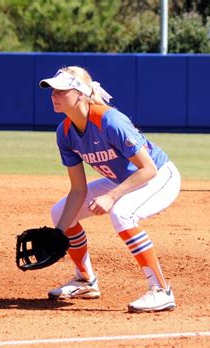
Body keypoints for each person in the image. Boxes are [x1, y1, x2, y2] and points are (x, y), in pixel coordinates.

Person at [39, 66, 181, 313]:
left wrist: (112, 196)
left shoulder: (109, 120)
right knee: (60, 213)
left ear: (81, 93)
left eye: (61, 90)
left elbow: (148, 169)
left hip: (159, 177)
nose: (54, 95)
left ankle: (160, 290)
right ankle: (85, 280)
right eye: (53, 90)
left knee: (122, 213)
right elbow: (77, 190)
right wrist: (58, 233)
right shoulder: (64, 133)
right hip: (121, 179)